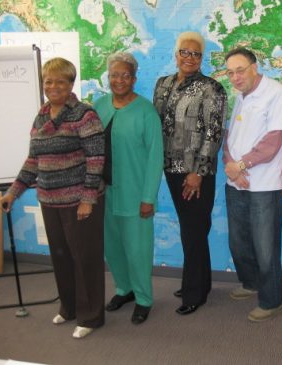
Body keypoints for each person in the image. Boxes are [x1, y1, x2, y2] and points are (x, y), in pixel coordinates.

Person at [1, 58, 105, 339]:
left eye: (60, 81)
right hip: (49, 200)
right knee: (61, 257)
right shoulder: (42, 115)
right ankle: (69, 307)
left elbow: (97, 159)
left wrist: (88, 198)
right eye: (49, 81)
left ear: (71, 84)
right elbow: (34, 159)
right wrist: (13, 191)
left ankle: (91, 316)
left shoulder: (85, 114)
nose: (53, 86)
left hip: (80, 202)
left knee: (85, 259)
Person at [153, 31, 227, 315]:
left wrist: (197, 172)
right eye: (185, 52)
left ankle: (195, 293)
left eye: (196, 54)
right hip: (170, 169)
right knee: (190, 228)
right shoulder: (163, 84)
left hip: (196, 173)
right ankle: (199, 281)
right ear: (176, 54)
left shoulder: (212, 89)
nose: (190, 58)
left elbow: (213, 133)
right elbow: (156, 123)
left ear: (201, 58)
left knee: (195, 230)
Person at [94, 52, 163, 325]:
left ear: (134, 79)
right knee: (113, 248)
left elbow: (156, 157)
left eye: (125, 75)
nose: (119, 80)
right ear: (108, 78)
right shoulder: (99, 106)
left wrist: (148, 198)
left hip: (135, 195)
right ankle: (125, 289)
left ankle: (144, 299)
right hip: (104, 193)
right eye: (114, 75)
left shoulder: (146, 111)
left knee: (138, 250)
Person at [224, 47, 282, 322]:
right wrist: (232, 167)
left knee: (265, 246)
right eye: (230, 73)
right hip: (237, 183)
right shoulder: (240, 96)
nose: (236, 77)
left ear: (254, 67)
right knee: (239, 242)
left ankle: (271, 299)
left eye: (240, 70)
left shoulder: (276, 93)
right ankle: (250, 283)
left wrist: (240, 166)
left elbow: (272, 142)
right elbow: (230, 137)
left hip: (263, 185)